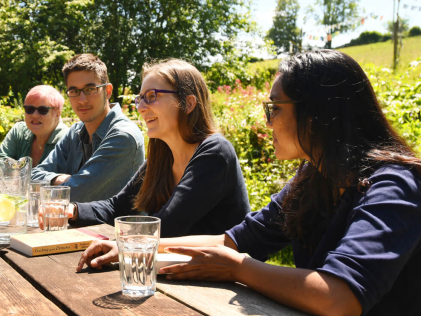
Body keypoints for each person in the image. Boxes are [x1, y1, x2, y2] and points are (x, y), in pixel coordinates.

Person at [78, 50, 421, 316]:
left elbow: (340, 298)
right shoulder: (314, 176)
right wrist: (142, 247)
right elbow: (238, 238)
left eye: (274, 109)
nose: (266, 122)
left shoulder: (394, 184)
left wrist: (237, 267)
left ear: (317, 115)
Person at [46, 59, 249, 237]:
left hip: (220, 279)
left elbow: (167, 227)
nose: (141, 107)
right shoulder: (162, 157)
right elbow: (118, 206)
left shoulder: (215, 152)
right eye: (140, 98)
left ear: (188, 103)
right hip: (173, 272)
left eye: (151, 96)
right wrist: (72, 210)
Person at [31, 54, 145, 202]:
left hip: (114, 226)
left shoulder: (123, 136)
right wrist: (60, 180)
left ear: (108, 91)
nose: (82, 100)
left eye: (90, 89)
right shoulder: (75, 132)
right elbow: (33, 177)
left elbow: (77, 195)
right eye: (74, 91)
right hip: (78, 224)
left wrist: (55, 182)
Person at [0, 85, 70, 167]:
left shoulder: (68, 140)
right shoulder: (19, 131)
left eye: (42, 110)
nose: (35, 115)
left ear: (57, 113)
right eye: (29, 109)